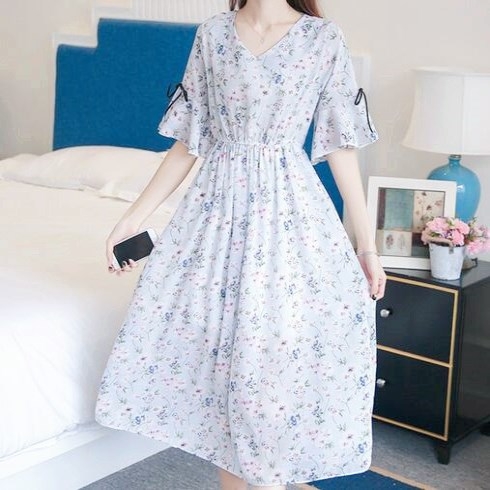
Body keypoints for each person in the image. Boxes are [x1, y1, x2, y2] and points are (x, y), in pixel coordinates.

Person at [95, 0, 387, 488]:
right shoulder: (212, 35)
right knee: (225, 372)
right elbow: (189, 142)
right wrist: (131, 219)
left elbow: (341, 147)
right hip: (216, 214)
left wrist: (366, 246)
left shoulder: (323, 38)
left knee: (271, 373)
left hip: (289, 219)